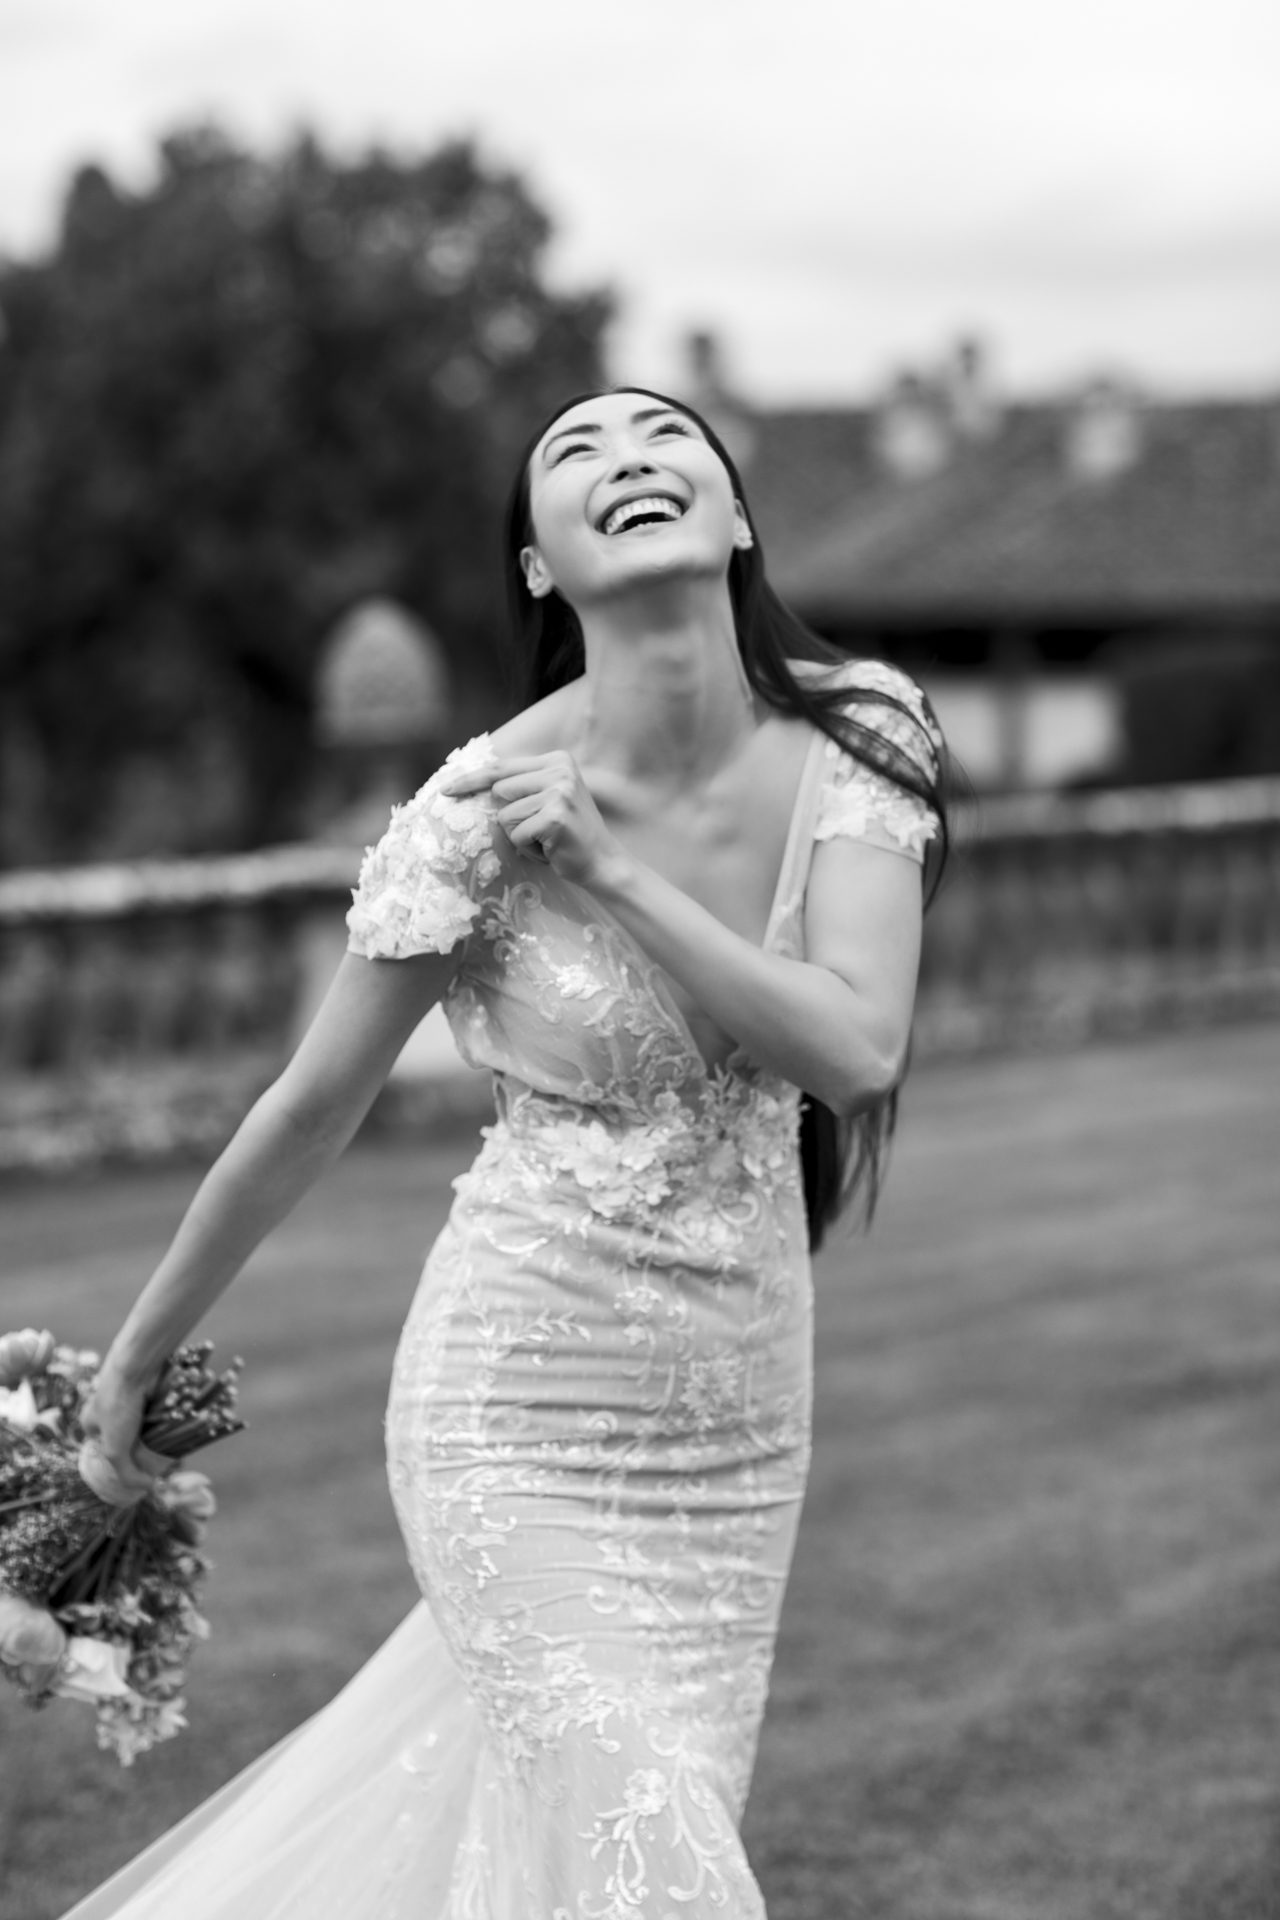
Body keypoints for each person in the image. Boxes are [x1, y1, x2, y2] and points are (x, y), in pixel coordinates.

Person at [63, 386, 947, 1918]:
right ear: (540, 562)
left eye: (666, 437)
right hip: (511, 1413)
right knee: (655, 1867)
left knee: (579, 1857)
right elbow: (307, 1107)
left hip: (737, 1428)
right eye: (577, 452)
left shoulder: (861, 730)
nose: (629, 459)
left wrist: (608, 871)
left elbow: (858, 1052)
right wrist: (134, 1360)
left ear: (737, 514)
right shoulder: (469, 815)